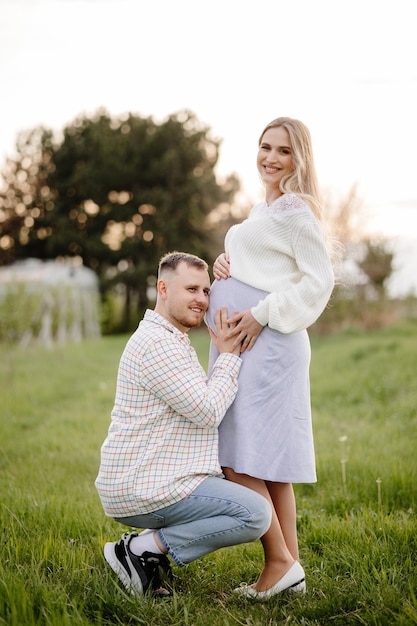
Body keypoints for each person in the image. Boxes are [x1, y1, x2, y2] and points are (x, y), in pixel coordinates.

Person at [205, 117, 335, 600]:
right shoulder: (266, 210)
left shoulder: (297, 211)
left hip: (268, 345)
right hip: (252, 345)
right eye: (265, 147)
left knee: (238, 459)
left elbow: (317, 282)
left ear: (298, 159)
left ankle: (279, 564)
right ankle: (291, 569)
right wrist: (226, 264)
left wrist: (260, 314)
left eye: (283, 151)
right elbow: (268, 265)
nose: (271, 158)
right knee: (269, 462)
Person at [95, 251, 272, 598]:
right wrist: (230, 356)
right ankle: (140, 550)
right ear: (163, 288)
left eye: (206, 291)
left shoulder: (172, 340)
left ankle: (144, 560)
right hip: (146, 485)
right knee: (254, 514)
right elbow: (207, 411)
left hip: (158, 478)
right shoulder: (157, 344)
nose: (201, 300)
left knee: (247, 506)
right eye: (191, 289)